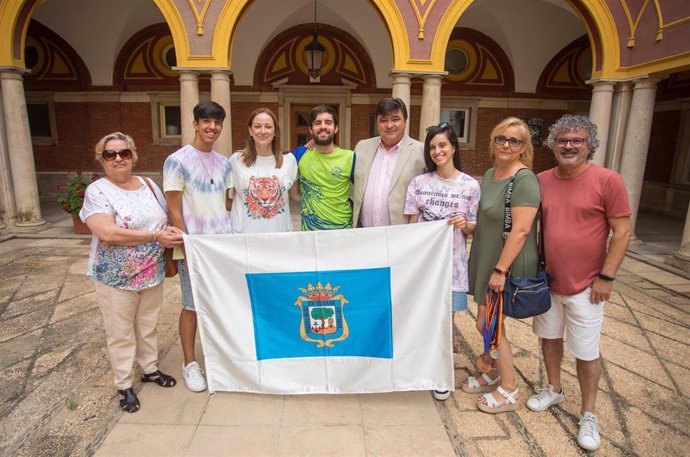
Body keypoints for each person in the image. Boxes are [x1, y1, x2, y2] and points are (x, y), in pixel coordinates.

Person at [526, 115, 632, 451]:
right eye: (562, 140)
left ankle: (589, 413)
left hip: (588, 285)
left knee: (586, 352)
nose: (569, 146)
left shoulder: (607, 180)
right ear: (552, 144)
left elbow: (623, 231)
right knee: (549, 337)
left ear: (590, 145)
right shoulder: (542, 179)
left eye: (577, 140)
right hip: (548, 281)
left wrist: (606, 276)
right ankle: (554, 389)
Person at [80, 132, 184, 413]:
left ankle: (150, 369)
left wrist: (173, 233)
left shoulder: (149, 185)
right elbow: (108, 232)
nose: (117, 159)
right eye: (110, 154)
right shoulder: (98, 191)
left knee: (148, 325)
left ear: (132, 156)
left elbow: (165, 218)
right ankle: (124, 384)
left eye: (124, 153)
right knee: (121, 333)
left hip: (151, 272)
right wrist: (155, 237)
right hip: (116, 278)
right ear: (101, 159)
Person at [467, 117, 541, 413]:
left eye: (514, 141)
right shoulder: (491, 173)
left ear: (524, 147)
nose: (506, 145)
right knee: (484, 322)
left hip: (504, 262)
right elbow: (489, 219)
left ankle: (509, 389)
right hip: (488, 255)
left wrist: (500, 270)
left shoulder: (523, 179)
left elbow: (521, 230)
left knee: (491, 324)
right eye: (501, 138)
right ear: (493, 141)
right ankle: (495, 372)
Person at [404, 122, 480, 401]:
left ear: (453, 148)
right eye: (433, 147)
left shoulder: (470, 186)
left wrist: (464, 224)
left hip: (452, 265)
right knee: (420, 316)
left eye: (442, 146)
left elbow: (473, 226)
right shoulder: (419, 183)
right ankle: (417, 365)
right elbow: (412, 225)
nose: (437, 151)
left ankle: (443, 373)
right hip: (423, 265)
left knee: (446, 320)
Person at [163, 101, 232, 392]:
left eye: (217, 123)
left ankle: (220, 358)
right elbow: (174, 208)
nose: (212, 127)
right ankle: (190, 362)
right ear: (194, 124)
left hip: (221, 248)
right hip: (193, 246)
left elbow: (227, 204)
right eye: (206, 122)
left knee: (219, 304)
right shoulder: (177, 161)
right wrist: (188, 246)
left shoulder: (224, 162)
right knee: (191, 305)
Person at [352, 97, 425, 227]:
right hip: (364, 234)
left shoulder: (421, 151)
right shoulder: (362, 147)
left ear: (405, 121)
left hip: (401, 237)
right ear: (377, 123)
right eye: (383, 120)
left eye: (395, 119)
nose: (389, 125)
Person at [229, 108, 298, 233]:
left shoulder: (289, 160)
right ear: (250, 130)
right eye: (257, 126)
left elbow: (294, 196)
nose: (262, 131)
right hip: (244, 236)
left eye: (268, 127)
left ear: (275, 131)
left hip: (279, 234)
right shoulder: (236, 160)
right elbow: (223, 200)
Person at [292, 104, 354, 230]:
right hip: (310, 233)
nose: (323, 126)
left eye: (328, 122)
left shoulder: (350, 157)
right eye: (318, 123)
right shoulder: (299, 155)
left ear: (336, 128)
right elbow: (293, 194)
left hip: (343, 231)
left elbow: (363, 193)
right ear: (311, 129)